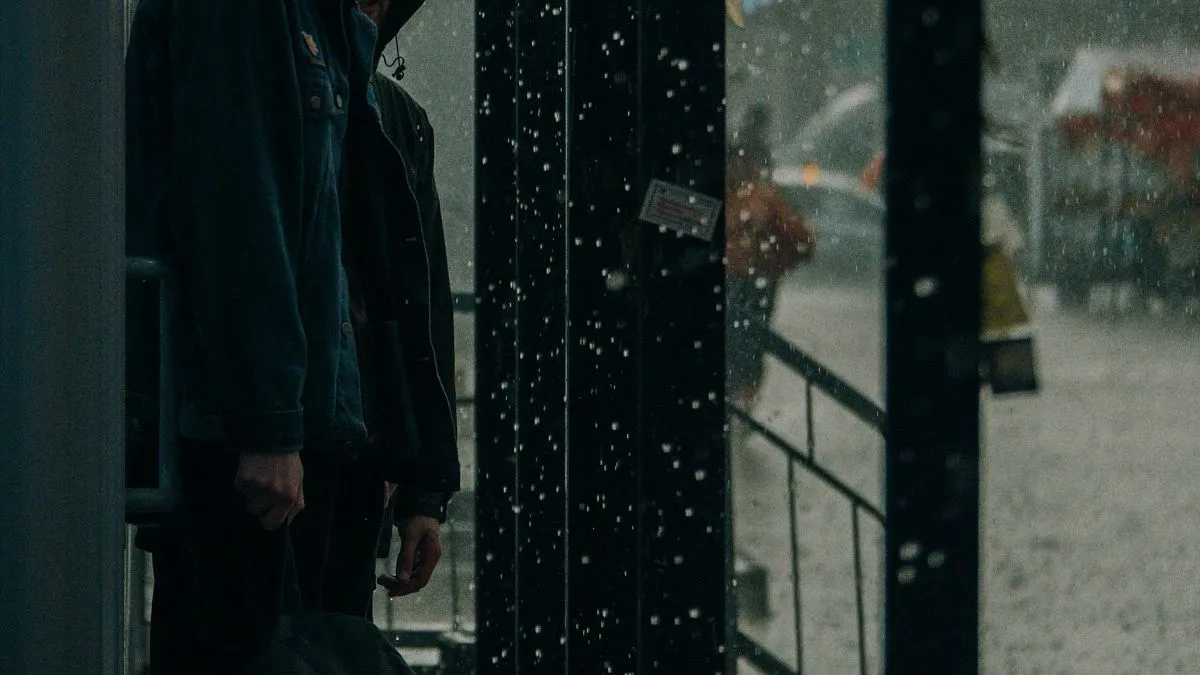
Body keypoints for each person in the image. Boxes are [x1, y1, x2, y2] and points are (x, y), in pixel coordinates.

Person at [125, 0, 459, 672]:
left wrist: (420, 484)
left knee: (305, 646)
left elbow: (408, 301)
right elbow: (242, 225)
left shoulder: (381, 106)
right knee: (265, 645)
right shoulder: (272, 42)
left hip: (324, 440)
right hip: (270, 437)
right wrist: (270, 428)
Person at [725, 123, 818, 412]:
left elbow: (801, 241)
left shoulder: (761, 200)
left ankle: (740, 397)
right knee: (748, 346)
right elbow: (802, 242)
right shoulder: (760, 199)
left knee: (746, 346)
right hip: (753, 284)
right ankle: (741, 397)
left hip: (751, 285)